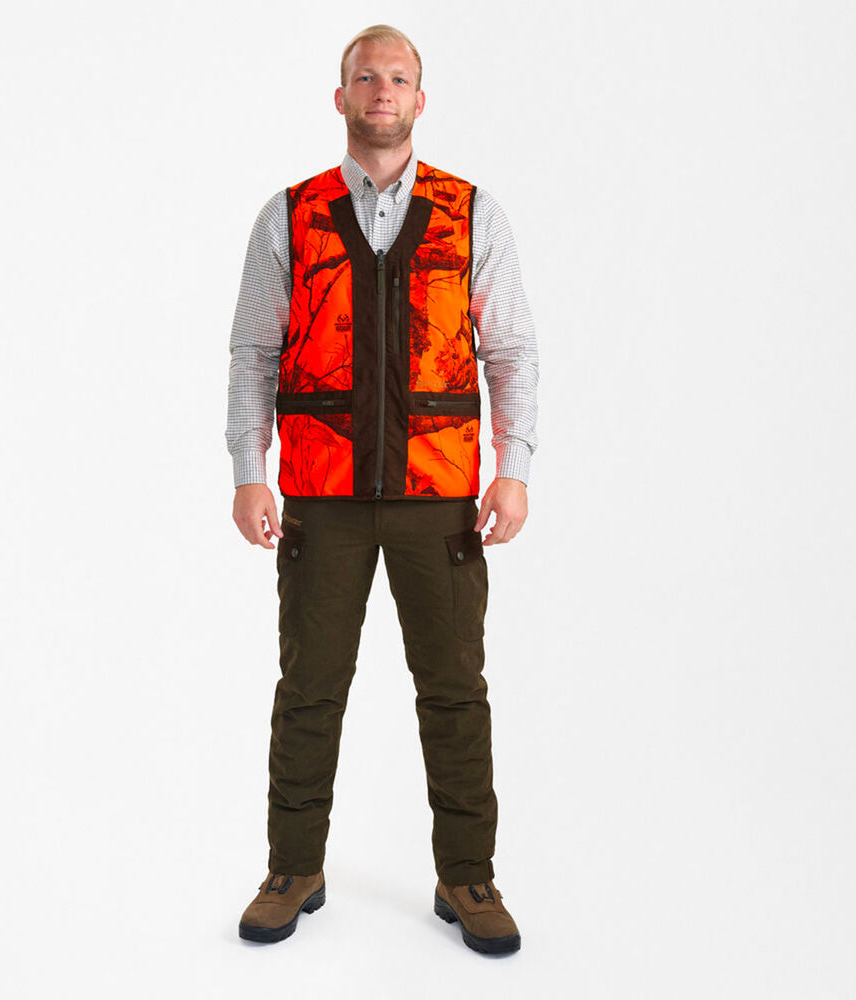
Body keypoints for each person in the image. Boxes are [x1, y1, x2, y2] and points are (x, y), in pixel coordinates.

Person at [226, 24, 538, 955]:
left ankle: (467, 875)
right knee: (309, 690)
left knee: (455, 692)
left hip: (439, 497)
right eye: (367, 76)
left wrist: (514, 469)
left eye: (398, 77)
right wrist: (248, 473)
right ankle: (293, 868)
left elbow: (511, 349)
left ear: (419, 98)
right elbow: (252, 352)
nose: (382, 90)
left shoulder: (472, 212)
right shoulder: (289, 216)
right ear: (342, 97)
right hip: (319, 498)